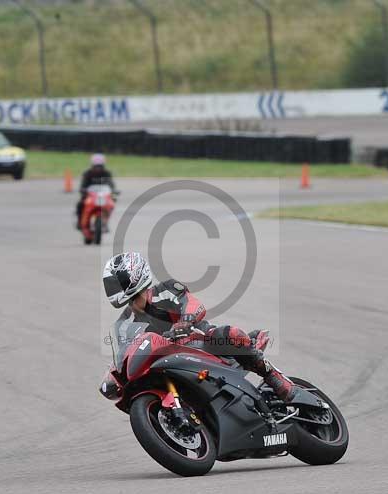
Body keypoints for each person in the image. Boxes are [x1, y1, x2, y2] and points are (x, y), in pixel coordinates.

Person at [103, 252, 298, 402]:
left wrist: (185, 322)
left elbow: (193, 304)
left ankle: (272, 376)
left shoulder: (166, 289)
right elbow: (124, 352)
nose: (133, 304)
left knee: (228, 333)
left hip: (199, 340)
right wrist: (112, 375)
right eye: (128, 301)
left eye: (135, 297)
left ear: (139, 280)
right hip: (166, 362)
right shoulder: (124, 323)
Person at [76, 153, 117, 229]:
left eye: (100, 166)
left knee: (112, 202)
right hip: (90, 196)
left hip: (103, 195)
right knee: (80, 204)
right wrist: (83, 190)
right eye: (96, 166)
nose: (98, 168)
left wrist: (114, 190)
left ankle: (105, 221)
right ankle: (80, 221)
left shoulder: (107, 173)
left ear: (103, 166)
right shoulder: (87, 173)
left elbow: (111, 184)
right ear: (92, 165)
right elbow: (83, 185)